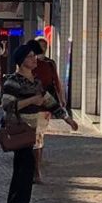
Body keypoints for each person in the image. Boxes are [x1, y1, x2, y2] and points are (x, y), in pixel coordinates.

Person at [2, 43, 77, 203]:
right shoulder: (13, 80)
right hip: (20, 129)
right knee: (26, 165)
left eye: (34, 56)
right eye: (29, 56)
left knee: (22, 165)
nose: (34, 58)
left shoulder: (35, 81)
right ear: (21, 61)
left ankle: (17, 202)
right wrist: (30, 101)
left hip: (32, 129)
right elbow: (7, 105)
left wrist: (67, 119)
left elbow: (48, 101)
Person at [28, 37, 77, 182]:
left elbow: (56, 82)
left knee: (39, 136)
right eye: (40, 46)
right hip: (29, 107)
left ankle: (36, 169)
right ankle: (34, 169)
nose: (43, 49)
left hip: (44, 106)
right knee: (35, 138)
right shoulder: (28, 63)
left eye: (45, 46)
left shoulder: (49, 63)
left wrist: (61, 100)